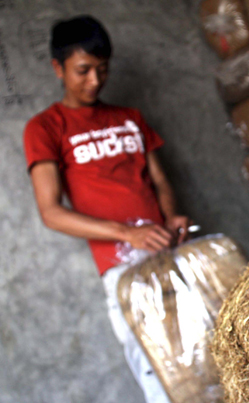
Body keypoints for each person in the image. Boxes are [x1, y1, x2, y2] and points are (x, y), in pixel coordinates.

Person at [23, 16, 191, 403]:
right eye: (83, 71)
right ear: (58, 69)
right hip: (123, 267)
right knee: (160, 370)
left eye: (103, 70)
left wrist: (171, 217)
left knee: (203, 348)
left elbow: (161, 182)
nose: (95, 81)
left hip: (169, 251)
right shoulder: (45, 128)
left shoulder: (130, 118)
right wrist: (128, 233)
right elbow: (51, 212)